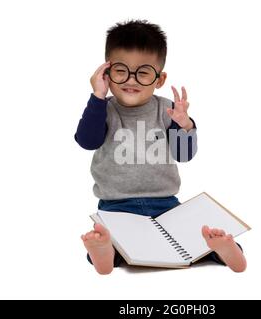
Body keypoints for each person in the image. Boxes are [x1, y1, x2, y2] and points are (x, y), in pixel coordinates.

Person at [75, 20, 246, 274]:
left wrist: (184, 125)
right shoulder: (104, 109)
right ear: (106, 73)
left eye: (143, 72)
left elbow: (185, 155)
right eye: (121, 70)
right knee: (112, 240)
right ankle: (105, 255)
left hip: (166, 205)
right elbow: (87, 141)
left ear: (160, 78)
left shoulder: (166, 109)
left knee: (194, 240)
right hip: (116, 207)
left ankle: (224, 250)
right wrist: (98, 96)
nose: (131, 80)